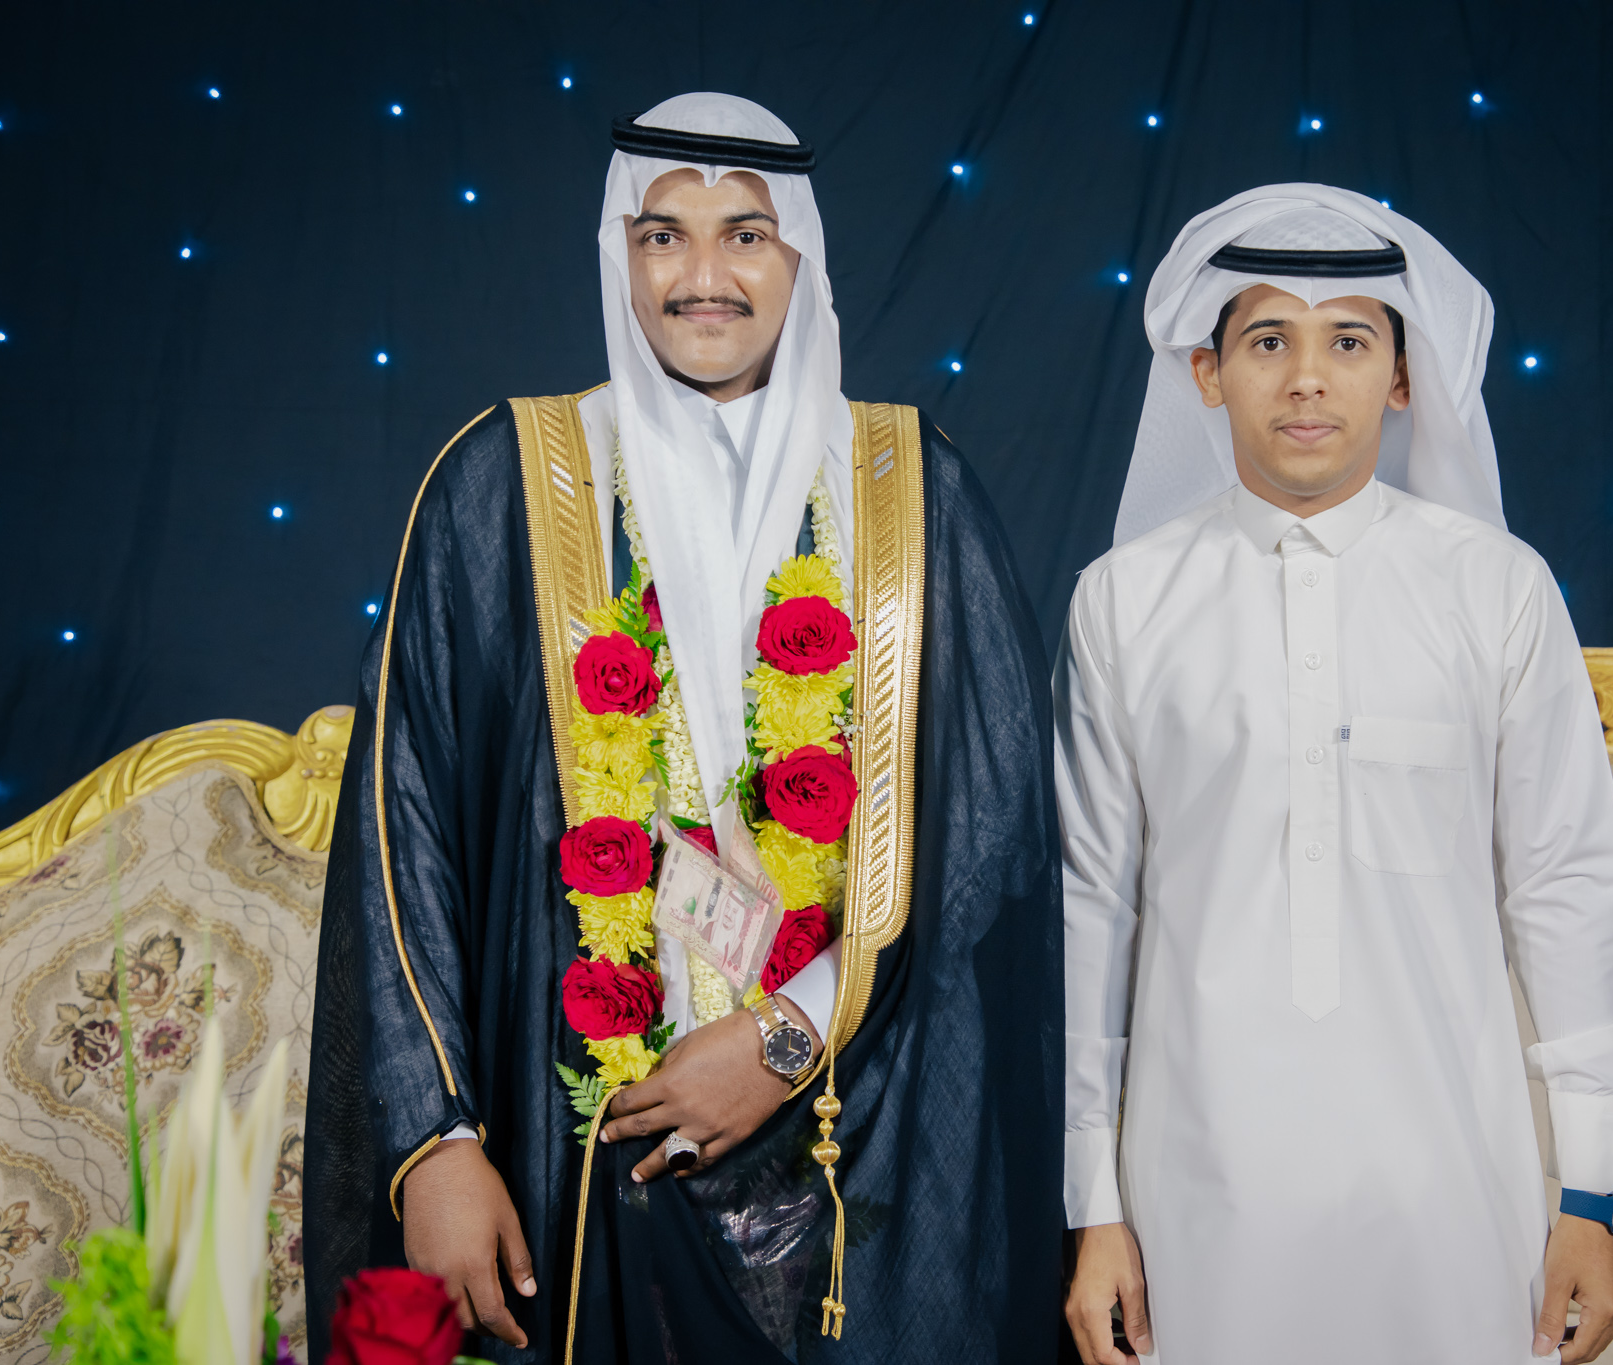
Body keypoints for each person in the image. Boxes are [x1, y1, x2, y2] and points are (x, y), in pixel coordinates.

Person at [305, 93, 1062, 1364]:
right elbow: (402, 838)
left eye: (744, 234)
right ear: (619, 256)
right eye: (662, 235)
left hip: (855, 1124)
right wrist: (432, 1141)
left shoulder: (909, 488)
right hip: (569, 1143)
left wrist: (784, 1036)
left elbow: (988, 838)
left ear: (799, 257)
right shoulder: (501, 482)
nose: (702, 275)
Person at [1056, 185, 1613, 1363]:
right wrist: (1092, 1205)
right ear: (1206, 374)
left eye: (1350, 342)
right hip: (1197, 1194)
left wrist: (1589, 1194)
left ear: (1404, 378)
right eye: (1268, 341)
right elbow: (1092, 909)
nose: (1307, 380)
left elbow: (1566, 885)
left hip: (1449, 1190)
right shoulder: (1122, 600)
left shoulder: (1497, 589)